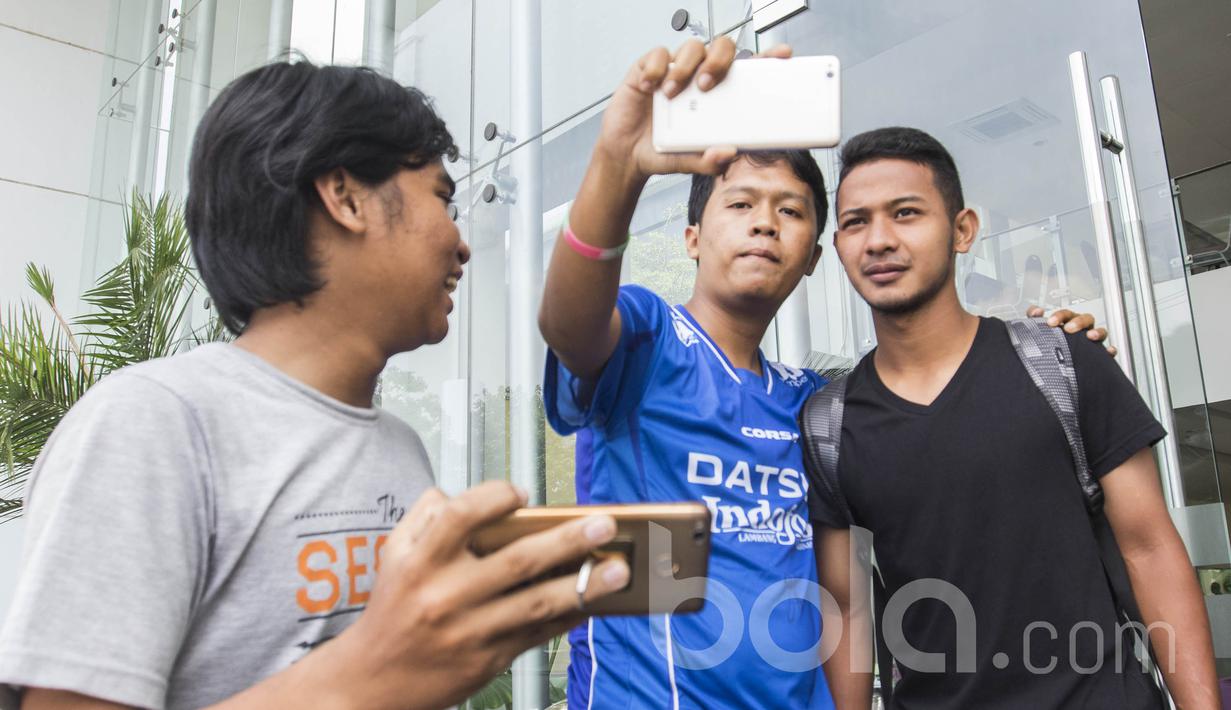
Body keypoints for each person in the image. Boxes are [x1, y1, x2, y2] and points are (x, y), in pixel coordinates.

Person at [0, 62, 630, 710]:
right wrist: (367, 676)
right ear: (346, 197)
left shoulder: (398, 446)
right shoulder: (151, 422)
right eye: (442, 199)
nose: (461, 243)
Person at [538, 38, 1104, 709]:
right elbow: (568, 324)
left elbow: (936, 430)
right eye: (740, 204)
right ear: (692, 238)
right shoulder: (645, 339)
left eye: (790, 210)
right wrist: (618, 165)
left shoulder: (821, 407)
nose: (764, 225)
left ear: (812, 254)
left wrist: (1040, 352)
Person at [809, 126, 1220, 709]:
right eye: (856, 222)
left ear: (962, 230)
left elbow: (1150, 548)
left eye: (906, 213)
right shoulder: (830, 424)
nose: (879, 240)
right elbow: (847, 609)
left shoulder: (1060, 361)